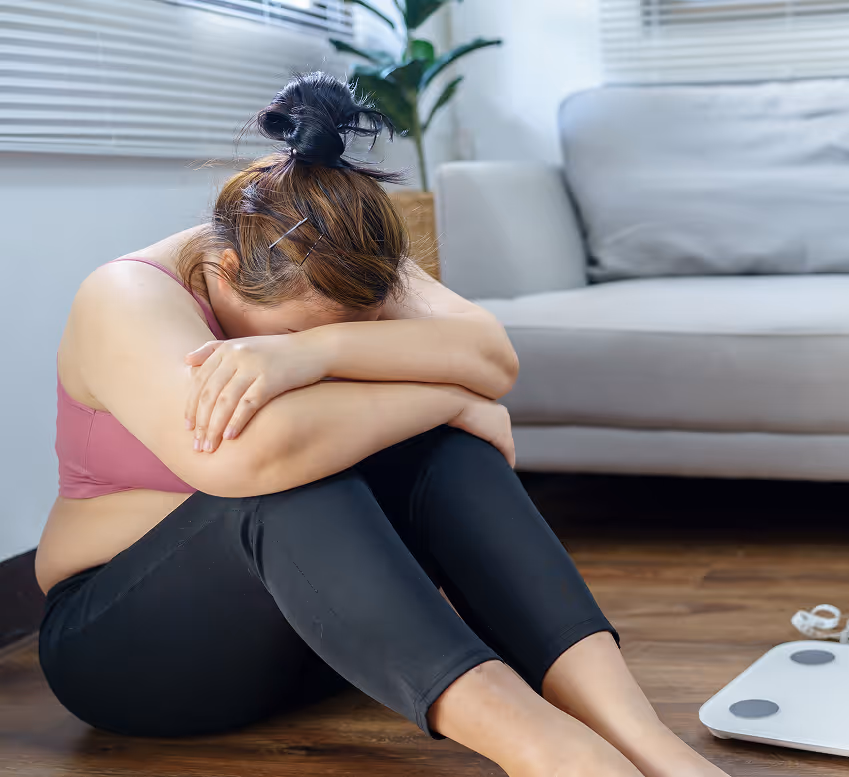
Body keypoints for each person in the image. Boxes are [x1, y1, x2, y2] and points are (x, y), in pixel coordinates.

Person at [35, 72, 729, 777]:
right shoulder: (124, 296)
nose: (332, 345)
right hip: (130, 652)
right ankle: (555, 755)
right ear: (226, 270)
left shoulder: (334, 246)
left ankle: (644, 739)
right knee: (293, 479)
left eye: (361, 327)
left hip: (320, 635)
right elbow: (246, 461)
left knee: (442, 453)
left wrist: (309, 350)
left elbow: (491, 354)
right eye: (294, 332)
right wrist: (447, 400)